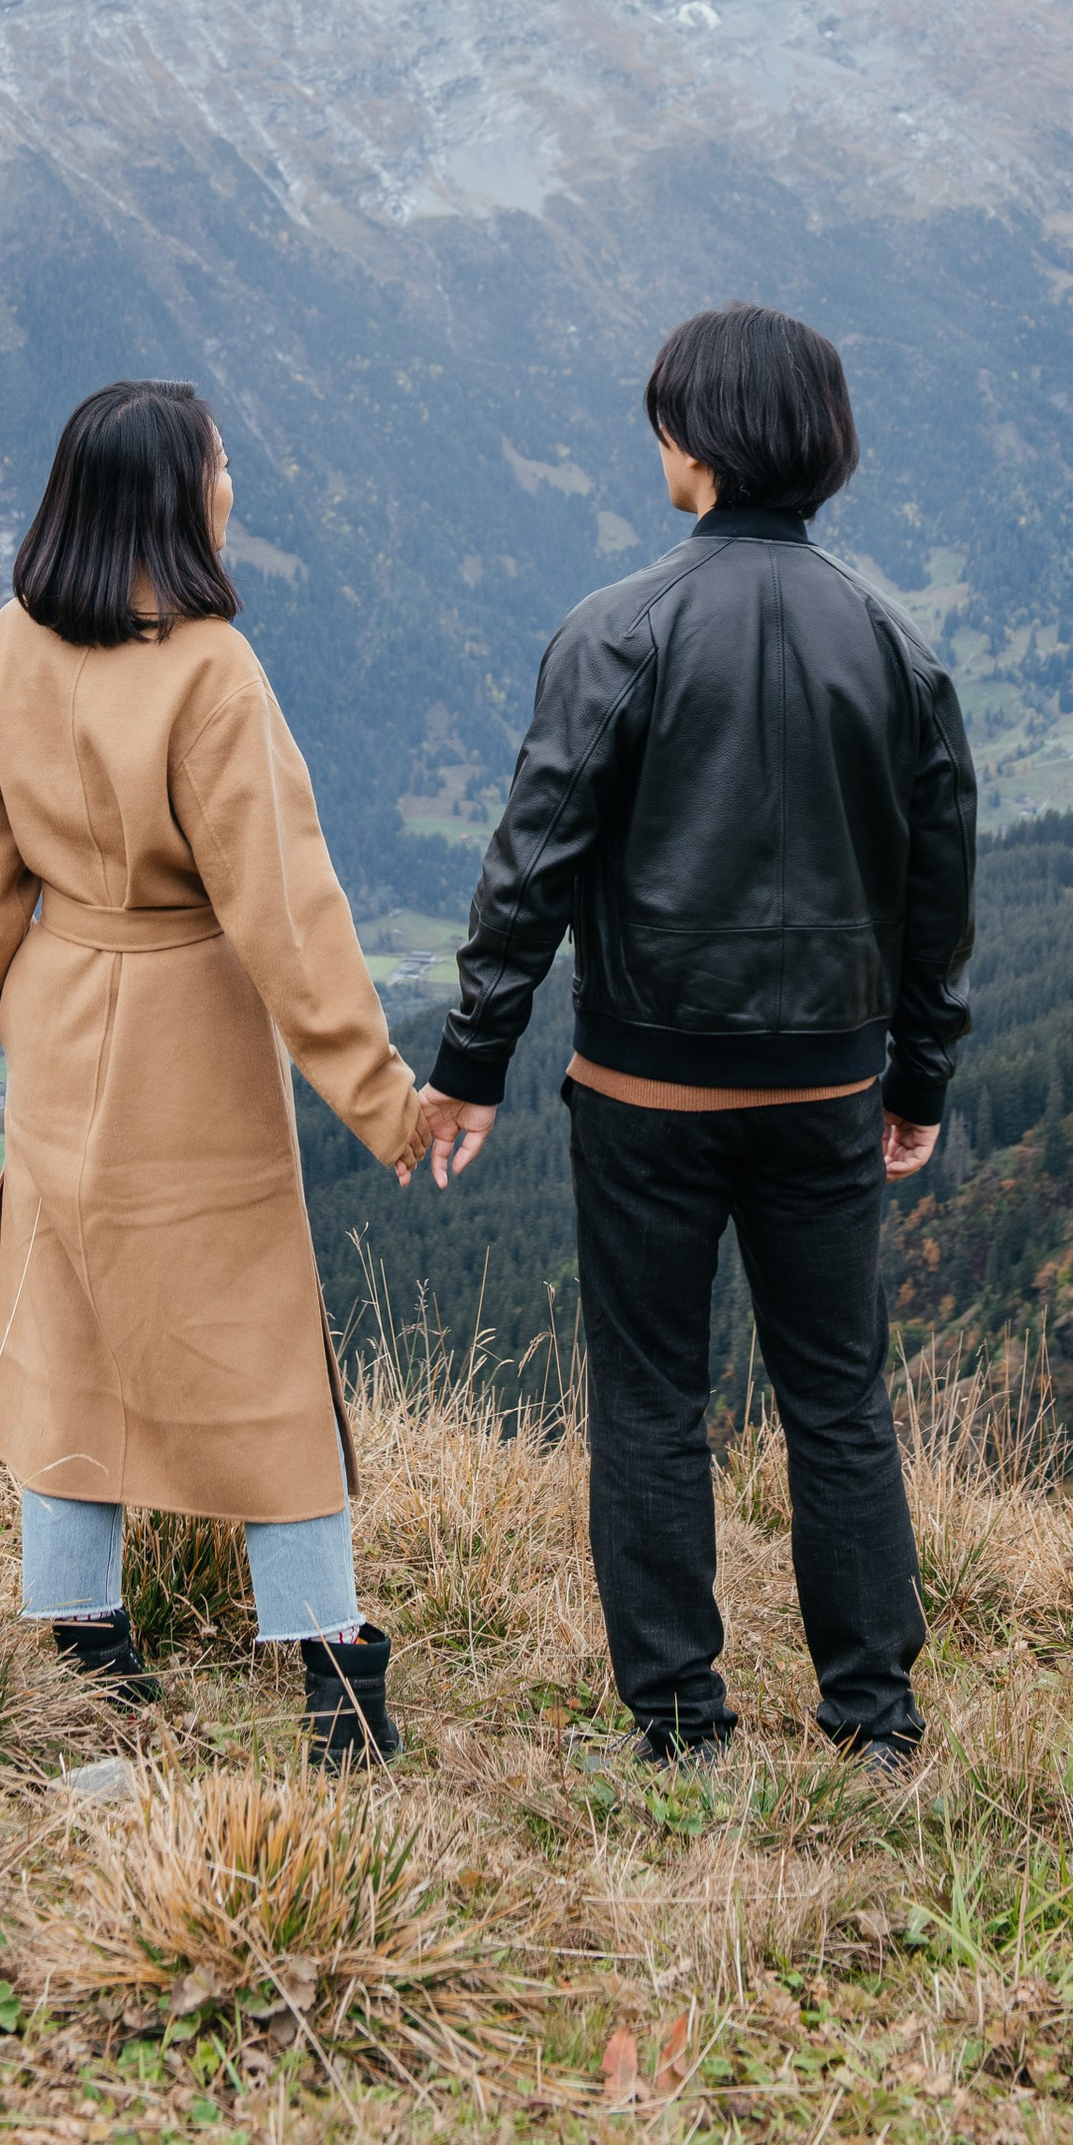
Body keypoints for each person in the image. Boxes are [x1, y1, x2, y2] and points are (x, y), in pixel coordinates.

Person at [414, 302, 973, 1770]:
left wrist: (473, 1063)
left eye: (666, 417)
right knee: (837, 1398)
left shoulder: (614, 634)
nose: (657, 441)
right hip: (831, 1087)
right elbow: (937, 902)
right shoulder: (899, 650)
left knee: (653, 1399)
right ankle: (876, 1723)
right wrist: (918, 1077)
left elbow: (529, 870)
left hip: (646, 1088)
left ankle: (680, 1726)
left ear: (702, 441)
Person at [0, 378, 432, 1768]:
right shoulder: (212, 669)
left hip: (62, 1012)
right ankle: (332, 1671)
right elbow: (286, 908)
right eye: (222, 465)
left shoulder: (1, 648)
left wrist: (12, 967)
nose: (234, 487)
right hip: (189, 1029)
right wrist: (382, 1097)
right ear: (175, 493)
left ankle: (87, 1651)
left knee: (69, 1324)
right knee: (256, 1331)